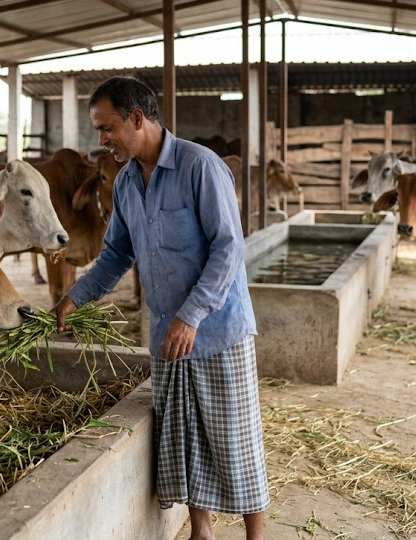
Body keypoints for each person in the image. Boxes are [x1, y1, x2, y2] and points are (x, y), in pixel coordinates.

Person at [53, 76, 269, 540]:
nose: (102, 140)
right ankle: (201, 531)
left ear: (136, 118)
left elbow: (228, 249)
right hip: (167, 334)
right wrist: (77, 296)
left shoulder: (200, 166)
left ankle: (256, 536)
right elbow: (115, 254)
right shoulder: (127, 181)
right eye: (98, 130)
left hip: (217, 327)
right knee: (184, 432)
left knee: (235, 438)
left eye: (107, 128)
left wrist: (191, 314)